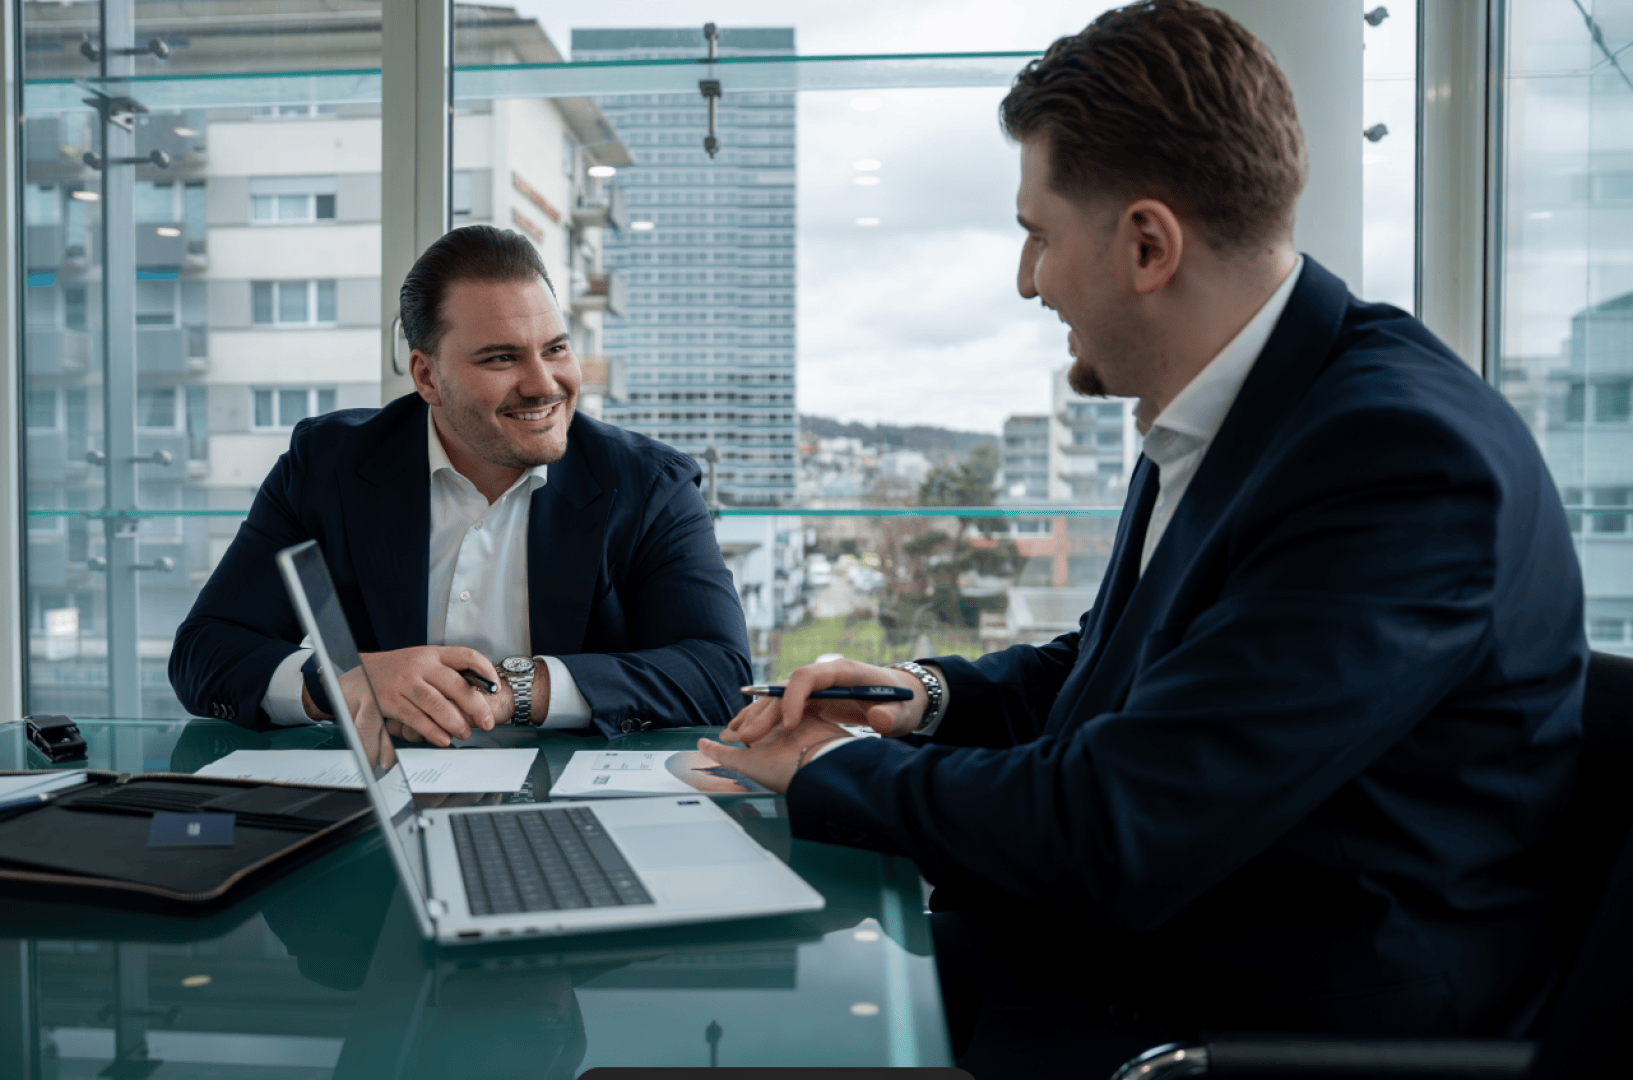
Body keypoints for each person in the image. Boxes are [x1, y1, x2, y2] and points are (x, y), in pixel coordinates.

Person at [699, 2, 1585, 1075]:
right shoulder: (1250, 406)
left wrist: (824, 767)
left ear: (1148, 244)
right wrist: (924, 699)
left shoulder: (1396, 459)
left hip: (1248, 1022)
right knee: (739, 994)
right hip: (1131, 957)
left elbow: (1115, 825)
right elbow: (1130, 671)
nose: (1029, 281)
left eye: (1037, 235)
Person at [170, 225, 751, 742]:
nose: (544, 384)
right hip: (385, 802)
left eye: (555, 349)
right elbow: (206, 651)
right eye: (502, 359)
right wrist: (341, 683)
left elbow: (717, 670)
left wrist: (520, 690)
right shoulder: (327, 467)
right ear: (427, 375)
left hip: (570, 803)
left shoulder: (649, 483)